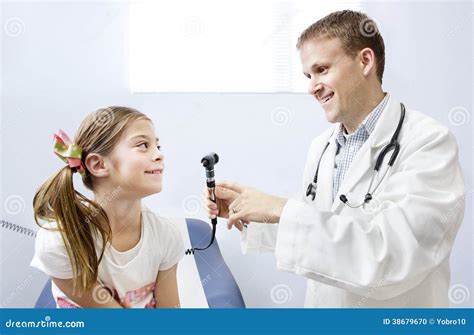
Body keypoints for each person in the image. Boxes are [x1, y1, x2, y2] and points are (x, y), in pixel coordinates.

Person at [205, 10, 465, 307]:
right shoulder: (323, 146)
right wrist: (251, 213)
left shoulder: (428, 142)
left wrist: (281, 209)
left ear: (365, 61)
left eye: (322, 69)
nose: (312, 86)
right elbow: (318, 230)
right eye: (308, 75)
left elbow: (393, 256)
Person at [31, 106, 184, 308]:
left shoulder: (167, 236)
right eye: (143, 145)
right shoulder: (60, 241)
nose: (159, 155)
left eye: (158, 146)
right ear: (99, 165)